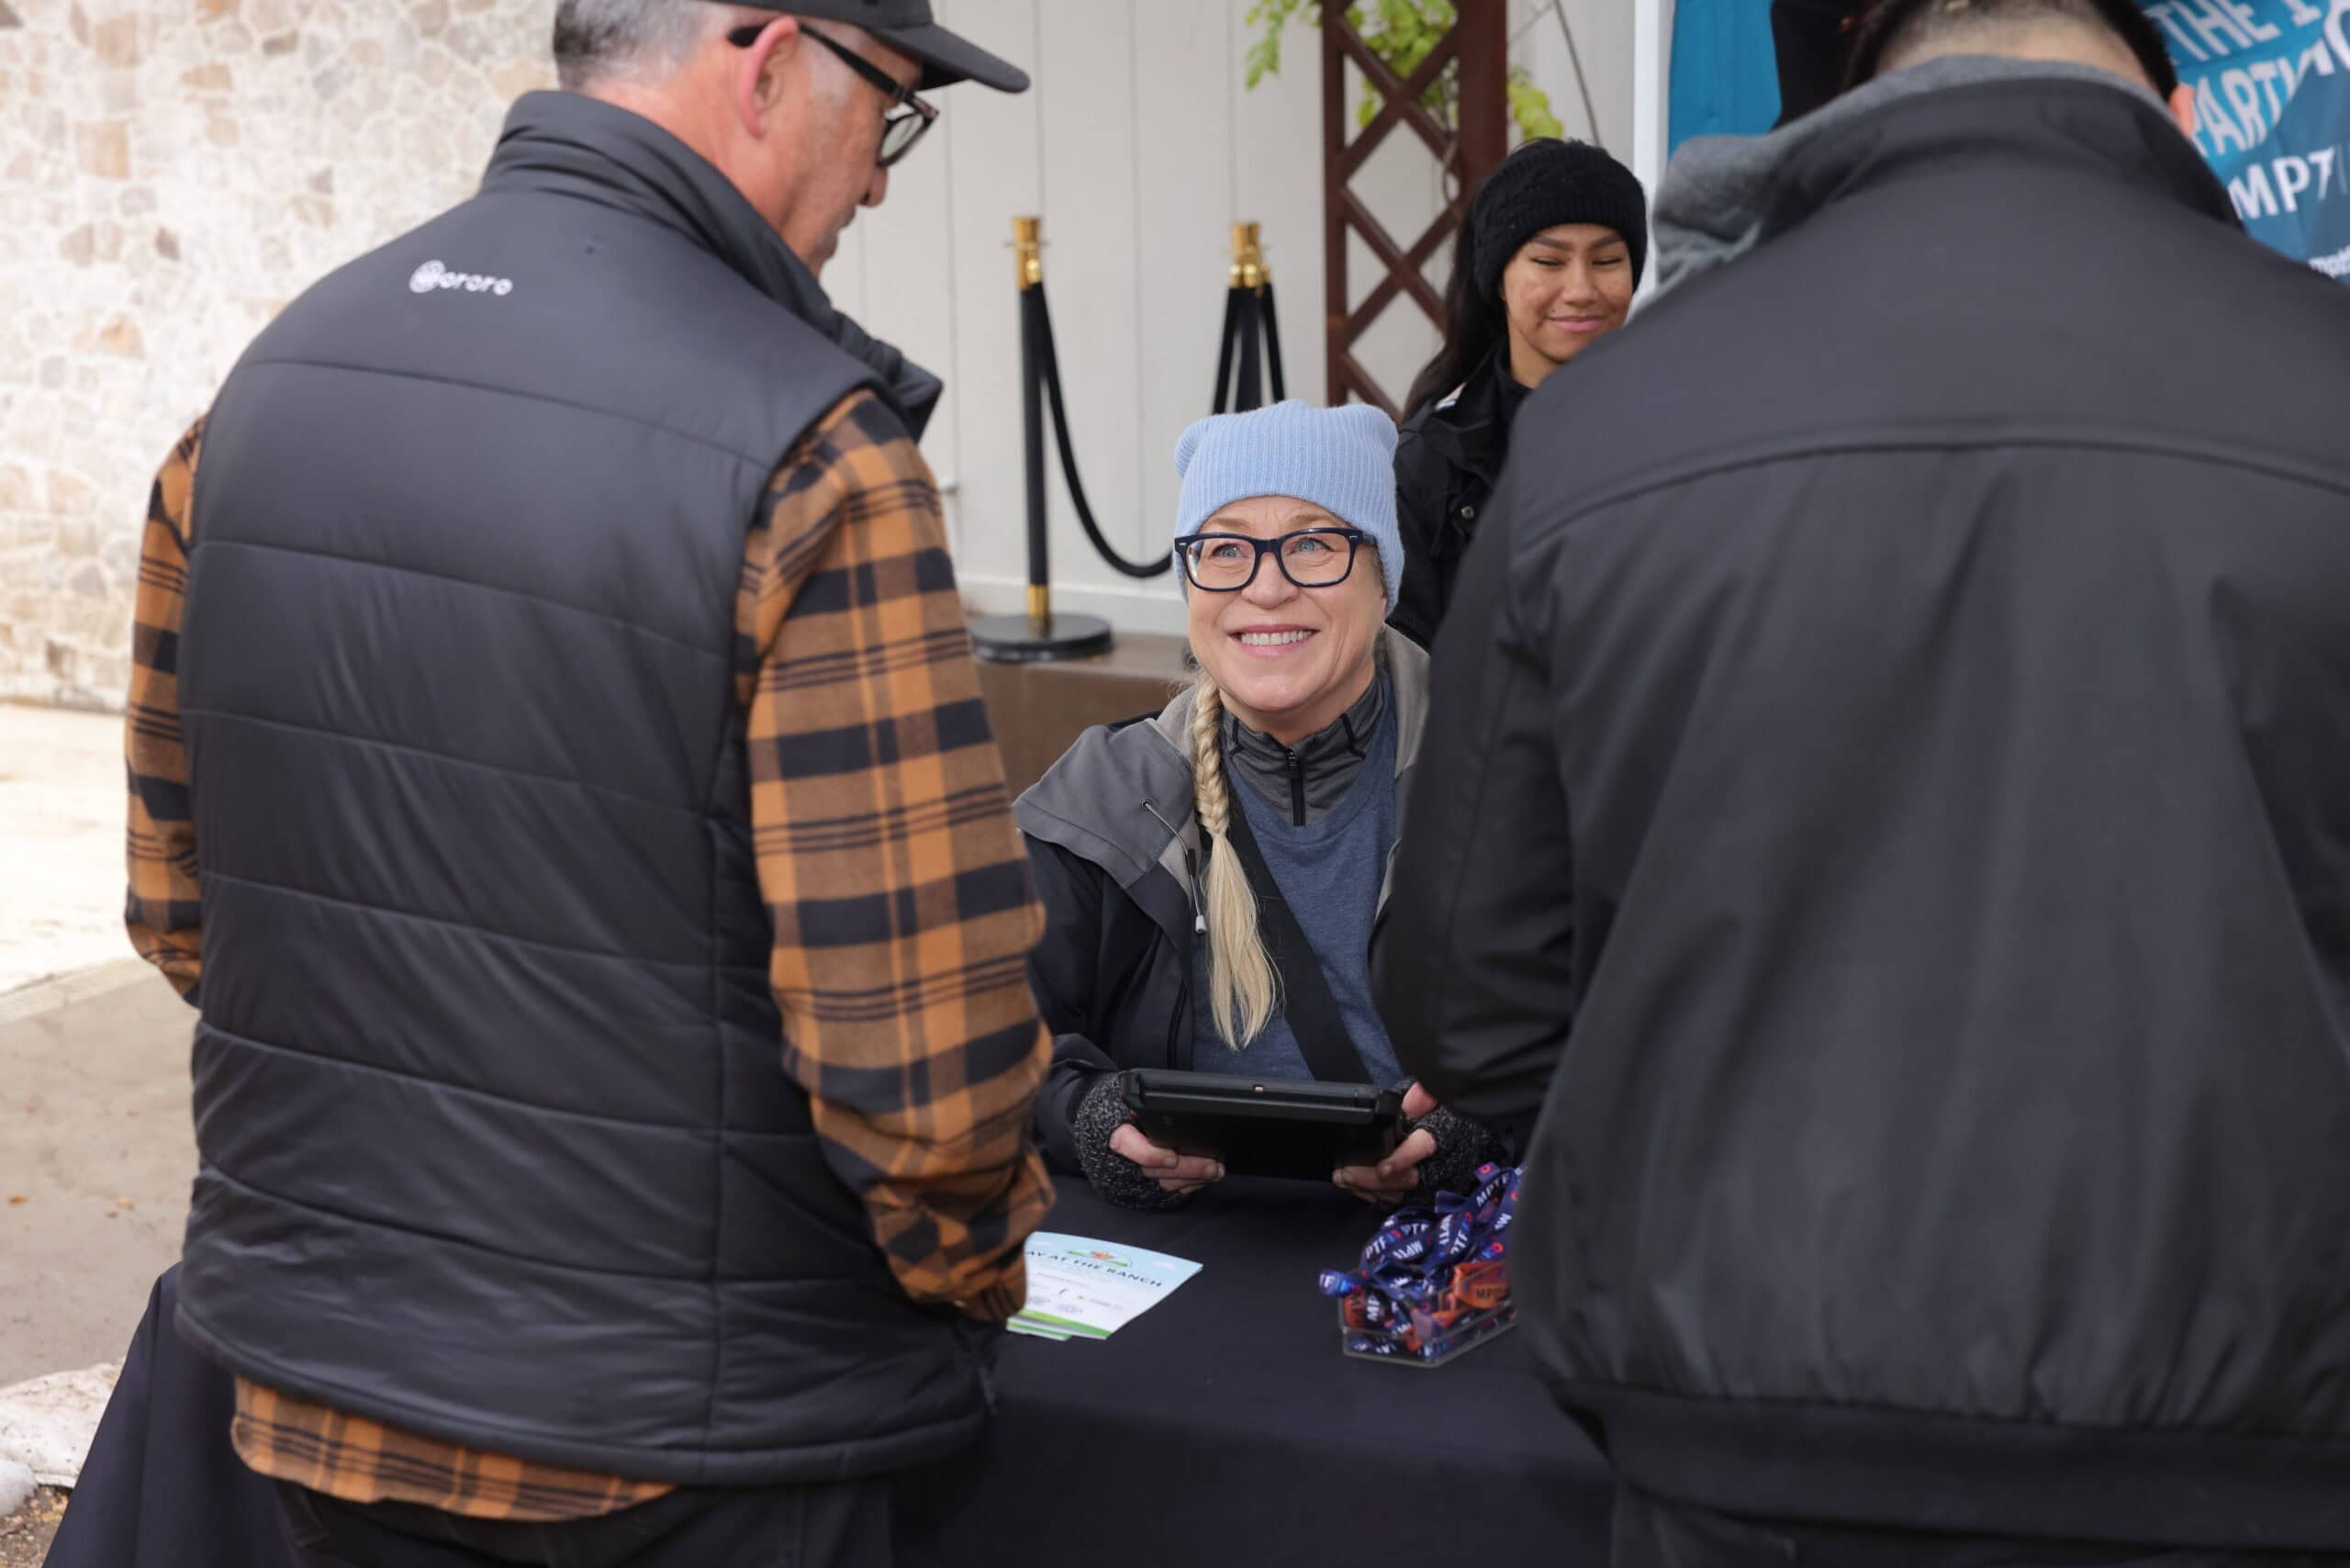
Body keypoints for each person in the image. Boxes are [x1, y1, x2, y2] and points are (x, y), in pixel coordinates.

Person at [1379, 0, 2350, 1562]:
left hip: (1740, 1416)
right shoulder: (2321, 382)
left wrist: (1700, 1145)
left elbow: (1470, 991)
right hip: (2257, 1433)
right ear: (2180, 108)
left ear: (1846, 113)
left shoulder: (1614, 424)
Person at [120, 5, 1052, 1565]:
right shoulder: (813, 452)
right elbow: (923, 1072)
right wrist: (975, 1272)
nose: (879, 184)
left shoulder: (261, 393)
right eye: (888, 115)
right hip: (692, 1441)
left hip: (317, 1395)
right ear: (763, 59)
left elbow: (181, 905)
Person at [1017, 401, 1498, 1211]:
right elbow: (986, 1045)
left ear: (1382, 579)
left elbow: (1615, 1041)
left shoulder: (1508, 779)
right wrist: (1089, 1120)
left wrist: (1481, 1124)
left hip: (1434, 1265)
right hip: (1184, 1256)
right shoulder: (1105, 796)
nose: (1266, 588)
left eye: (1314, 543)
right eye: (1226, 549)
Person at [1389, 137, 1647, 648]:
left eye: (1607, 260)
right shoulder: (1434, 462)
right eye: (1549, 262)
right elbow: (1409, 671)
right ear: (1500, 280)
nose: (1580, 289)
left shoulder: (1687, 432)